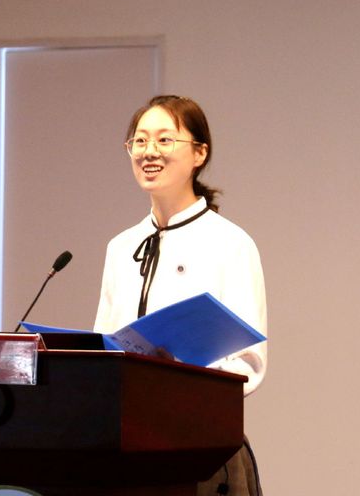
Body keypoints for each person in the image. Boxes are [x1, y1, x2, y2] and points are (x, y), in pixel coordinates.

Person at [94, 95, 267, 496]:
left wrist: (176, 376)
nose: (149, 151)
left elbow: (249, 361)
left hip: (203, 448)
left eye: (164, 140)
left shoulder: (230, 244)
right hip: (126, 449)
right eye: (139, 141)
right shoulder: (121, 247)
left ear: (199, 153)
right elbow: (105, 344)